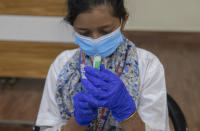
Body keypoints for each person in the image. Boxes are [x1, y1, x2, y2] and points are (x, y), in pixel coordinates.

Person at [35, 0, 170, 130]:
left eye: (106, 31)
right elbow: (46, 126)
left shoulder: (148, 65)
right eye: (84, 33)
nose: (95, 40)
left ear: (124, 21)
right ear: (73, 26)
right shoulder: (61, 66)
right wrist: (77, 121)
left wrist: (127, 113)